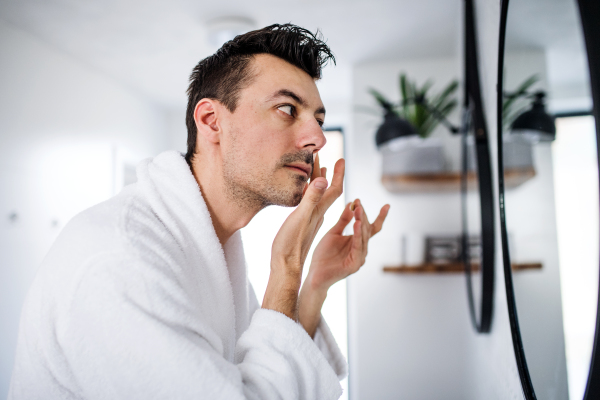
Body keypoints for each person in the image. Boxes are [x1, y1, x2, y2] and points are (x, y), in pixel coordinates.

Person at [9, 24, 390, 399]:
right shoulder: (120, 260)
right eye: (287, 109)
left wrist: (314, 284)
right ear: (211, 121)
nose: (318, 139)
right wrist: (287, 266)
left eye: (319, 121)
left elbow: (266, 369)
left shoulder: (213, 252)